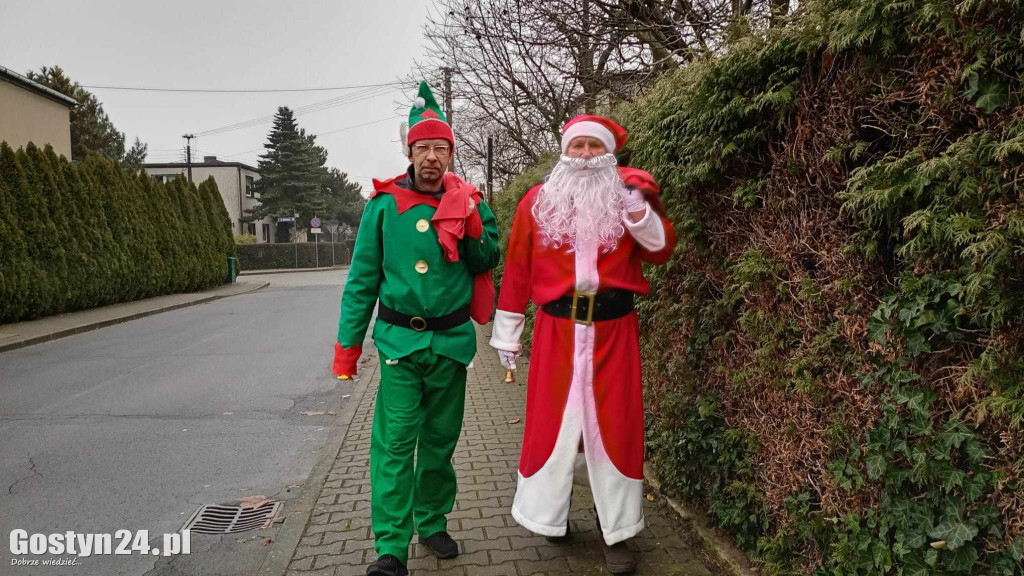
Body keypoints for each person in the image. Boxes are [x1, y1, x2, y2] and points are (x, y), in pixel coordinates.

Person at [489, 115, 676, 573]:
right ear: (564, 152)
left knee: (614, 428)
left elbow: (661, 248)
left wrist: (637, 211)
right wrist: (508, 335)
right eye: (578, 146)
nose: (587, 154)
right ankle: (551, 517)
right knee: (556, 428)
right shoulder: (537, 202)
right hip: (556, 332)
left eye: (595, 146)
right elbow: (516, 269)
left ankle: (617, 531)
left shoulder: (629, 198)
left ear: (609, 152)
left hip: (614, 331)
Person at [332, 81, 501, 576]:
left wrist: (471, 225)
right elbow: (362, 281)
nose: (432, 157)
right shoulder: (383, 205)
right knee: (395, 442)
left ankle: (431, 521)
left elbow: (489, 257)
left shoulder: (472, 200)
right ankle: (390, 546)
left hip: (450, 343)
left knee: (440, 441)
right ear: (410, 150)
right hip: (399, 344)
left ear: (451, 153)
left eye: (441, 148)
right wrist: (348, 348)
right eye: (424, 147)